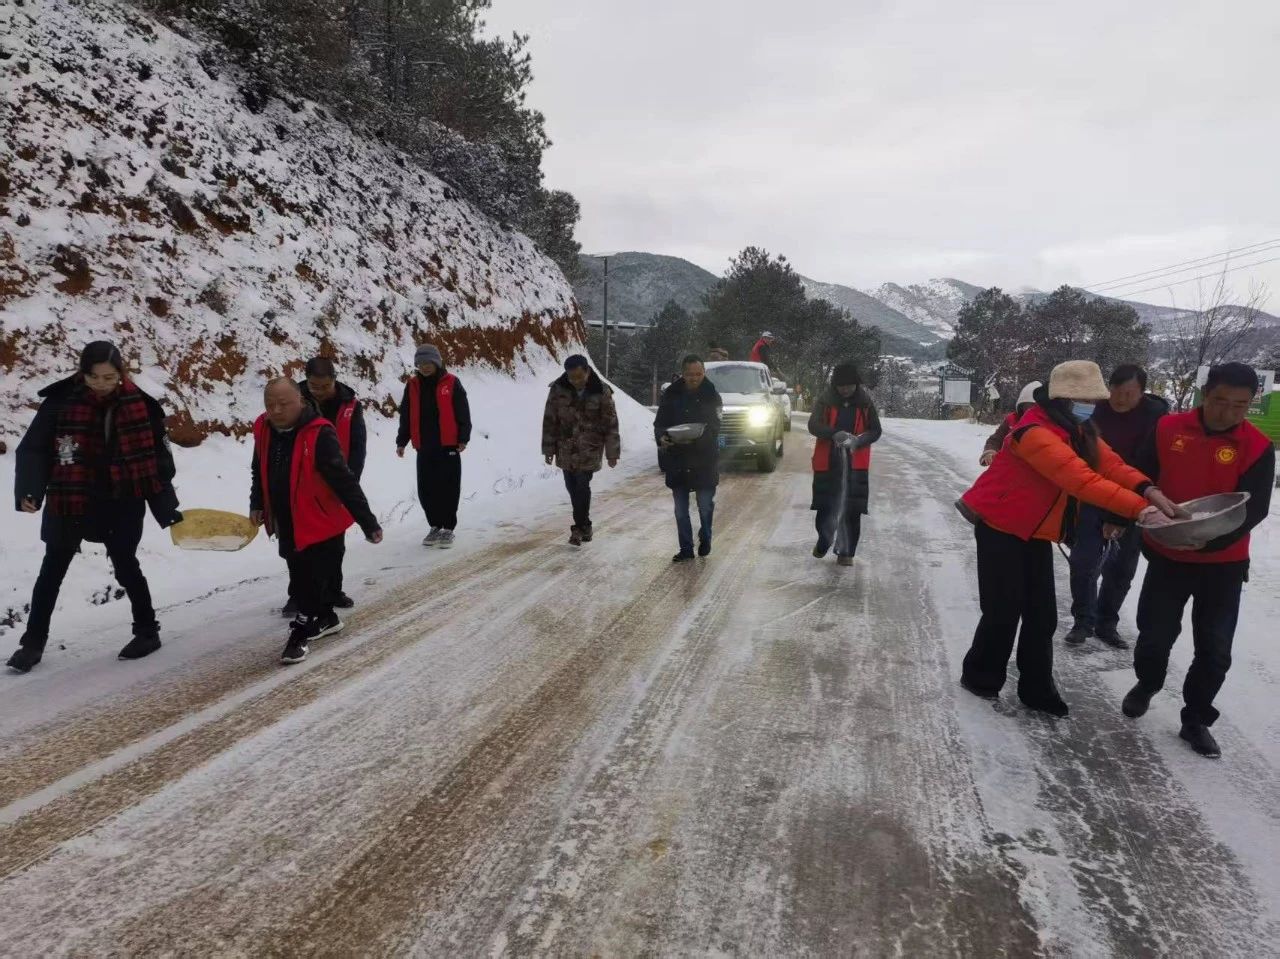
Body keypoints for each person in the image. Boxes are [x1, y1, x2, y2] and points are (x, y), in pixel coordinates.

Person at [954, 361, 1183, 716]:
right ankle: (980, 678)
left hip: (1033, 532)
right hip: (1000, 527)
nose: (1091, 405)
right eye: (1084, 399)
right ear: (1061, 399)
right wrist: (1140, 510)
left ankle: (1035, 689)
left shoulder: (1079, 429)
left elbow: (1111, 465)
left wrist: (1147, 489)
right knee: (1003, 611)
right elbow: (1081, 480)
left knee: (1042, 616)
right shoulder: (1034, 433)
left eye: (1093, 399)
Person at [1121, 362, 1274, 758]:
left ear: (1250, 403)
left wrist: (1208, 546)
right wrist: (1129, 517)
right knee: (1154, 636)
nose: (1228, 412)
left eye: (1239, 406)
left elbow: (1253, 509)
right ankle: (1148, 683)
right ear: (1206, 394)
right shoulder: (1168, 429)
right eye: (1220, 401)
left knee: (1215, 649)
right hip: (1168, 555)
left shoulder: (1257, 446)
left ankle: (1196, 719)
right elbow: (1139, 477)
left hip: (1223, 564)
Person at [7, 341, 182, 673]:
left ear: (121, 373)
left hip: (122, 498)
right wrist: (29, 490)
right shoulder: (60, 402)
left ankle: (147, 631)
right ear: (82, 373)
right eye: (94, 377)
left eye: (109, 377)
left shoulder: (141, 406)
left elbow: (158, 463)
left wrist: (166, 506)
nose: (102, 384)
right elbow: (34, 449)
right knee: (52, 570)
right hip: (70, 495)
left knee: (126, 565)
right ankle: (32, 643)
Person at [250, 379, 382, 664]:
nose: (276, 410)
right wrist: (257, 504)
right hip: (286, 518)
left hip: (321, 521)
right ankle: (327, 618)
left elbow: (344, 480)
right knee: (297, 570)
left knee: (308, 581)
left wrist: (368, 522)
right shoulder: (263, 428)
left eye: (283, 403)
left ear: (300, 399)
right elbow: (258, 469)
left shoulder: (319, 433)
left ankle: (300, 633)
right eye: (270, 404)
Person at [1064, 364, 1169, 648]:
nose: (1120, 399)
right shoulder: (1093, 412)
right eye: (1115, 391)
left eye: (1129, 393)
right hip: (1092, 497)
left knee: (1121, 568)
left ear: (1142, 392)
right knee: (1084, 562)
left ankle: (1106, 623)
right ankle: (1082, 621)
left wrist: (1121, 516)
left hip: (1135, 503)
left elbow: (1148, 466)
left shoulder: (1156, 420)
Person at [280, 356, 368, 617]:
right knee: (298, 546)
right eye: (314, 385)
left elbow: (357, 446)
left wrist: (350, 482)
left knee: (334, 543)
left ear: (334, 380)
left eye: (325, 385)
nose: (319, 391)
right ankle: (297, 595)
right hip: (300, 483)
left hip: (334, 483)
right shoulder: (292, 402)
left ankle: (333, 590)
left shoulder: (349, 405)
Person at [396, 344, 471, 548]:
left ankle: (448, 527)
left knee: (448, 487)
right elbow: (406, 415)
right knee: (426, 489)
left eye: (428, 363)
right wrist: (402, 441)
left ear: (436, 362)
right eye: (421, 364)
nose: (425, 367)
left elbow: (462, 411)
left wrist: (463, 437)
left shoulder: (452, 382)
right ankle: (435, 525)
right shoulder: (412, 385)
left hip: (448, 445)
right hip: (425, 446)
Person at [808, 362, 882, 566]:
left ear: (856, 384)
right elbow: (813, 425)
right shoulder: (825, 400)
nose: (846, 389)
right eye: (842, 386)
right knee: (826, 508)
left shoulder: (865, 403)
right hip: (828, 462)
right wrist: (834, 434)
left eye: (850, 385)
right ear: (835, 386)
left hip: (855, 464)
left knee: (852, 510)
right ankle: (824, 541)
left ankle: (846, 552)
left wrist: (858, 440)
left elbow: (876, 430)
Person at [542, 355, 621, 546]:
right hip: (566, 447)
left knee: (582, 485)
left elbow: (610, 423)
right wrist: (548, 448)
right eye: (572, 377)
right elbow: (550, 420)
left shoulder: (601, 390)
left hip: (590, 448)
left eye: (579, 377)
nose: (576, 381)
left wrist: (612, 453)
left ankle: (577, 528)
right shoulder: (558, 389)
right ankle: (585, 524)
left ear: (587, 371)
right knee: (572, 487)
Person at [654, 355, 722, 562]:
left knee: (705, 505)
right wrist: (663, 438)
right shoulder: (671, 395)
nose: (694, 378)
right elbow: (659, 424)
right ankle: (685, 548)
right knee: (681, 510)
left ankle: (706, 536)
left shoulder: (713, 396)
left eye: (698, 374)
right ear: (682, 374)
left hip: (704, 460)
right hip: (677, 459)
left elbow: (715, 428)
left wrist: (696, 441)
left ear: (704, 373)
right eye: (690, 374)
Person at [980, 381, 1041, 467]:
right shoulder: (1012, 420)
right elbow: (995, 440)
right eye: (1028, 405)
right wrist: (990, 452)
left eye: (1035, 406)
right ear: (1021, 406)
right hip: (1007, 468)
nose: (1030, 409)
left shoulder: (1047, 425)